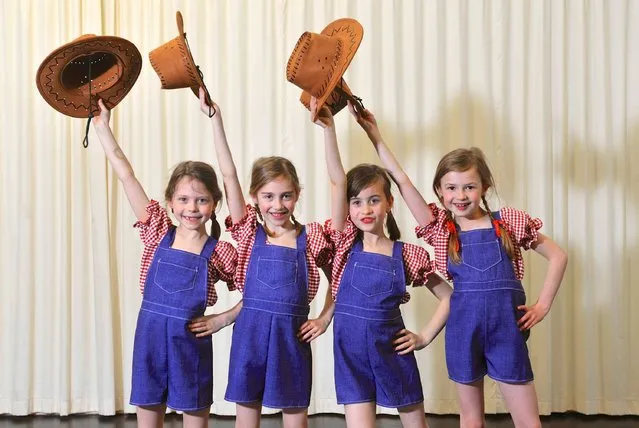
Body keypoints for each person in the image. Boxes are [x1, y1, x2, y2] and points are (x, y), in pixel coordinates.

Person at [347, 103, 568, 428]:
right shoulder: (440, 229)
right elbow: (402, 181)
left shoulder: (507, 222)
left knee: (528, 421)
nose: (460, 195)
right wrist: (375, 136)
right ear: (439, 191)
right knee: (470, 418)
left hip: (507, 329)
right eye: (451, 188)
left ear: (484, 189)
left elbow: (558, 256)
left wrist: (543, 305)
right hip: (464, 331)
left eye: (469, 187)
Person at [306, 97, 452, 428]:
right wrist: (329, 129)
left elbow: (449, 296)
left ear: (389, 203)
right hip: (351, 355)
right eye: (356, 203)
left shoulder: (408, 255)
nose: (365, 209)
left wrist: (424, 337)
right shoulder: (343, 244)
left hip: (393, 353)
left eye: (374, 200)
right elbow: (337, 181)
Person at [93, 99, 238, 428]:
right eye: (184, 199)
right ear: (170, 202)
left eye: (202, 200)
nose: (192, 208)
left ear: (214, 204)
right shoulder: (157, 231)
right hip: (150, 341)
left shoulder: (220, 252)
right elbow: (126, 176)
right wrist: (103, 128)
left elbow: (258, 292)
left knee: (195, 420)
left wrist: (224, 318)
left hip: (191, 345)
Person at [198, 89, 333, 428]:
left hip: (292, 339)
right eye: (268, 196)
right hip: (250, 336)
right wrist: (216, 120)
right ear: (254, 197)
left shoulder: (312, 236)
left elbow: (342, 275)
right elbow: (229, 176)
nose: (277, 205)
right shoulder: (247, 234)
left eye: (286, 196)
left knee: (295, 416)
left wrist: (325, 318)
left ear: (297, 195)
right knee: (247, 416)